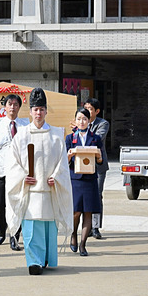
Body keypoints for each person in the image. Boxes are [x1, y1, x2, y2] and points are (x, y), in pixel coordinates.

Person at [5, 88, 73, 275]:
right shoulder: (22, 135)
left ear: (46, 111)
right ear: (30, 112)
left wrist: (57, 177)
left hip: (50, 189)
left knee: (48, 226)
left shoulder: (56, 134)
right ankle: (33, 261)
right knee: (32, 226)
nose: (38, 113)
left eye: (42, 109)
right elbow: (13, 162)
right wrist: (21, 177)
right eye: (35, 109)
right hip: (30, 190)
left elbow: (62, 162)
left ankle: (46, 259)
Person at [0, 93, 29, 250]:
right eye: (10, 104)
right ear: (4, 107)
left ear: (19, 107)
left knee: (17, 203)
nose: (12, 107)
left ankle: (14, 236)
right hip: (2, 167)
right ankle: (1, 229)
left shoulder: (25, 124)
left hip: (20, 168)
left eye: (16, 104)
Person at [65, 107, 104, 256]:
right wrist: (69, 156)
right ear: (75, 121)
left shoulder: (96, 138)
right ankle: (73, 234)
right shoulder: (70, 138)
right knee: (76, 212)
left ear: (89, 121)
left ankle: (83, 244)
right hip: (75, 179)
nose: (81, 122)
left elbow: (101, 160)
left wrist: (99, 156)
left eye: (85, 119)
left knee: (88, 213)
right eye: (79, 119)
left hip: (90, 179)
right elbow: (64, 160)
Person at [84, 98, 109, 239]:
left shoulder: (103, 124)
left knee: (97, 196)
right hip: (82, 166)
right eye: (85, 108)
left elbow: (96, 140)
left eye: (90, 109)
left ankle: (95, 227)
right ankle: (86, 227)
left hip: (98, 167)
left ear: (97, 111)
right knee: (84, 197)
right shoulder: (80, 122)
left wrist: (81, 129)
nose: (87, 111)